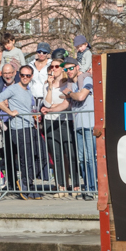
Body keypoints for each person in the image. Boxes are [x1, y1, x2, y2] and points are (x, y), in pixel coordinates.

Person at [0, 63, 43, 198]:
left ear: (31, 76)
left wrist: (35, 117)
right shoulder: (14, 88)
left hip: (29, 126)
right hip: (19, 128)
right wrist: (9, 112)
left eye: (28, 75)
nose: (25, 77)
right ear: (19, 75)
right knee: (25, 158)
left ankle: (28, 183)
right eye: (23, 75)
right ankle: (27, 186)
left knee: (39, 156)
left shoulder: (28, 91)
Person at [41, 59, 76, 195]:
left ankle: (75, 185)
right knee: (56, 155)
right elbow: (47, 104)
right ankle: (61, 185)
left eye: (57, 66)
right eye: (52, 66)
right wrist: (50, 87)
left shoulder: (68, 84)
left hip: (65, 120)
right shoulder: (46, 85)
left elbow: (66, 103)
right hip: (50, 121)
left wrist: (53, 107)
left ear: (62, 69)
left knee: (70, 153)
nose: (54, 68)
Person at [62, 58, 96, 197]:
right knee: (82, 159)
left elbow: (81, 96)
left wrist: (69, 93)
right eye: (66, 69)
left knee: (90, 158)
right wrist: (49, 110)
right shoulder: (72, 84)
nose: (68, 71)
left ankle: (92, 188)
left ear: (77, 67)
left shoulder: (86, 79)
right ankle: (87, 186)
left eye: (71, 68)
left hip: (89, 124)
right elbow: (66, 103)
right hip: (78, 125)